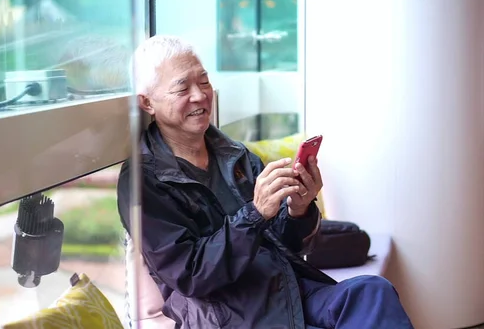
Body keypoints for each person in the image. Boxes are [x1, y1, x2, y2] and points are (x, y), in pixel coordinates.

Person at [117, 35, 414, 329]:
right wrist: (255, 215)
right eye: (182, 87)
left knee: (371, 292)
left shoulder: (234, 155)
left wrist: (299, 209)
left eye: (204, 82)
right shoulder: (144, 181)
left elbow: (287, 245)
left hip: (287, 289)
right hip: (232, 315)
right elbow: (191, 274)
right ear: (147, 102)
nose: (199, 95)